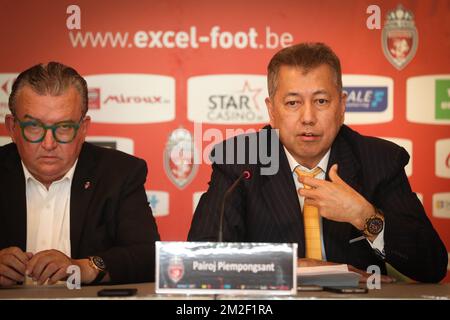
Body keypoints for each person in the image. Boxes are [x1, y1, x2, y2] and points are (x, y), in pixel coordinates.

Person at [188, 43, 448, 283]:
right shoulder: (239, 160)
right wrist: (292, 268)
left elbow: (432, 266)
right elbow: (202, 260)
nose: (308, 117)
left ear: (342, 106)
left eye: (321, 101)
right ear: (272, 112)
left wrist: (365, 216)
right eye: (292, 103)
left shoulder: (380, 160)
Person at [0, 62, 160, 286]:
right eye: (34, 127)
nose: (49, 143)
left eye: (64, 127)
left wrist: (87, 267)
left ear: (83, 128)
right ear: (12, 128)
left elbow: (149, 257)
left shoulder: (118, 173)